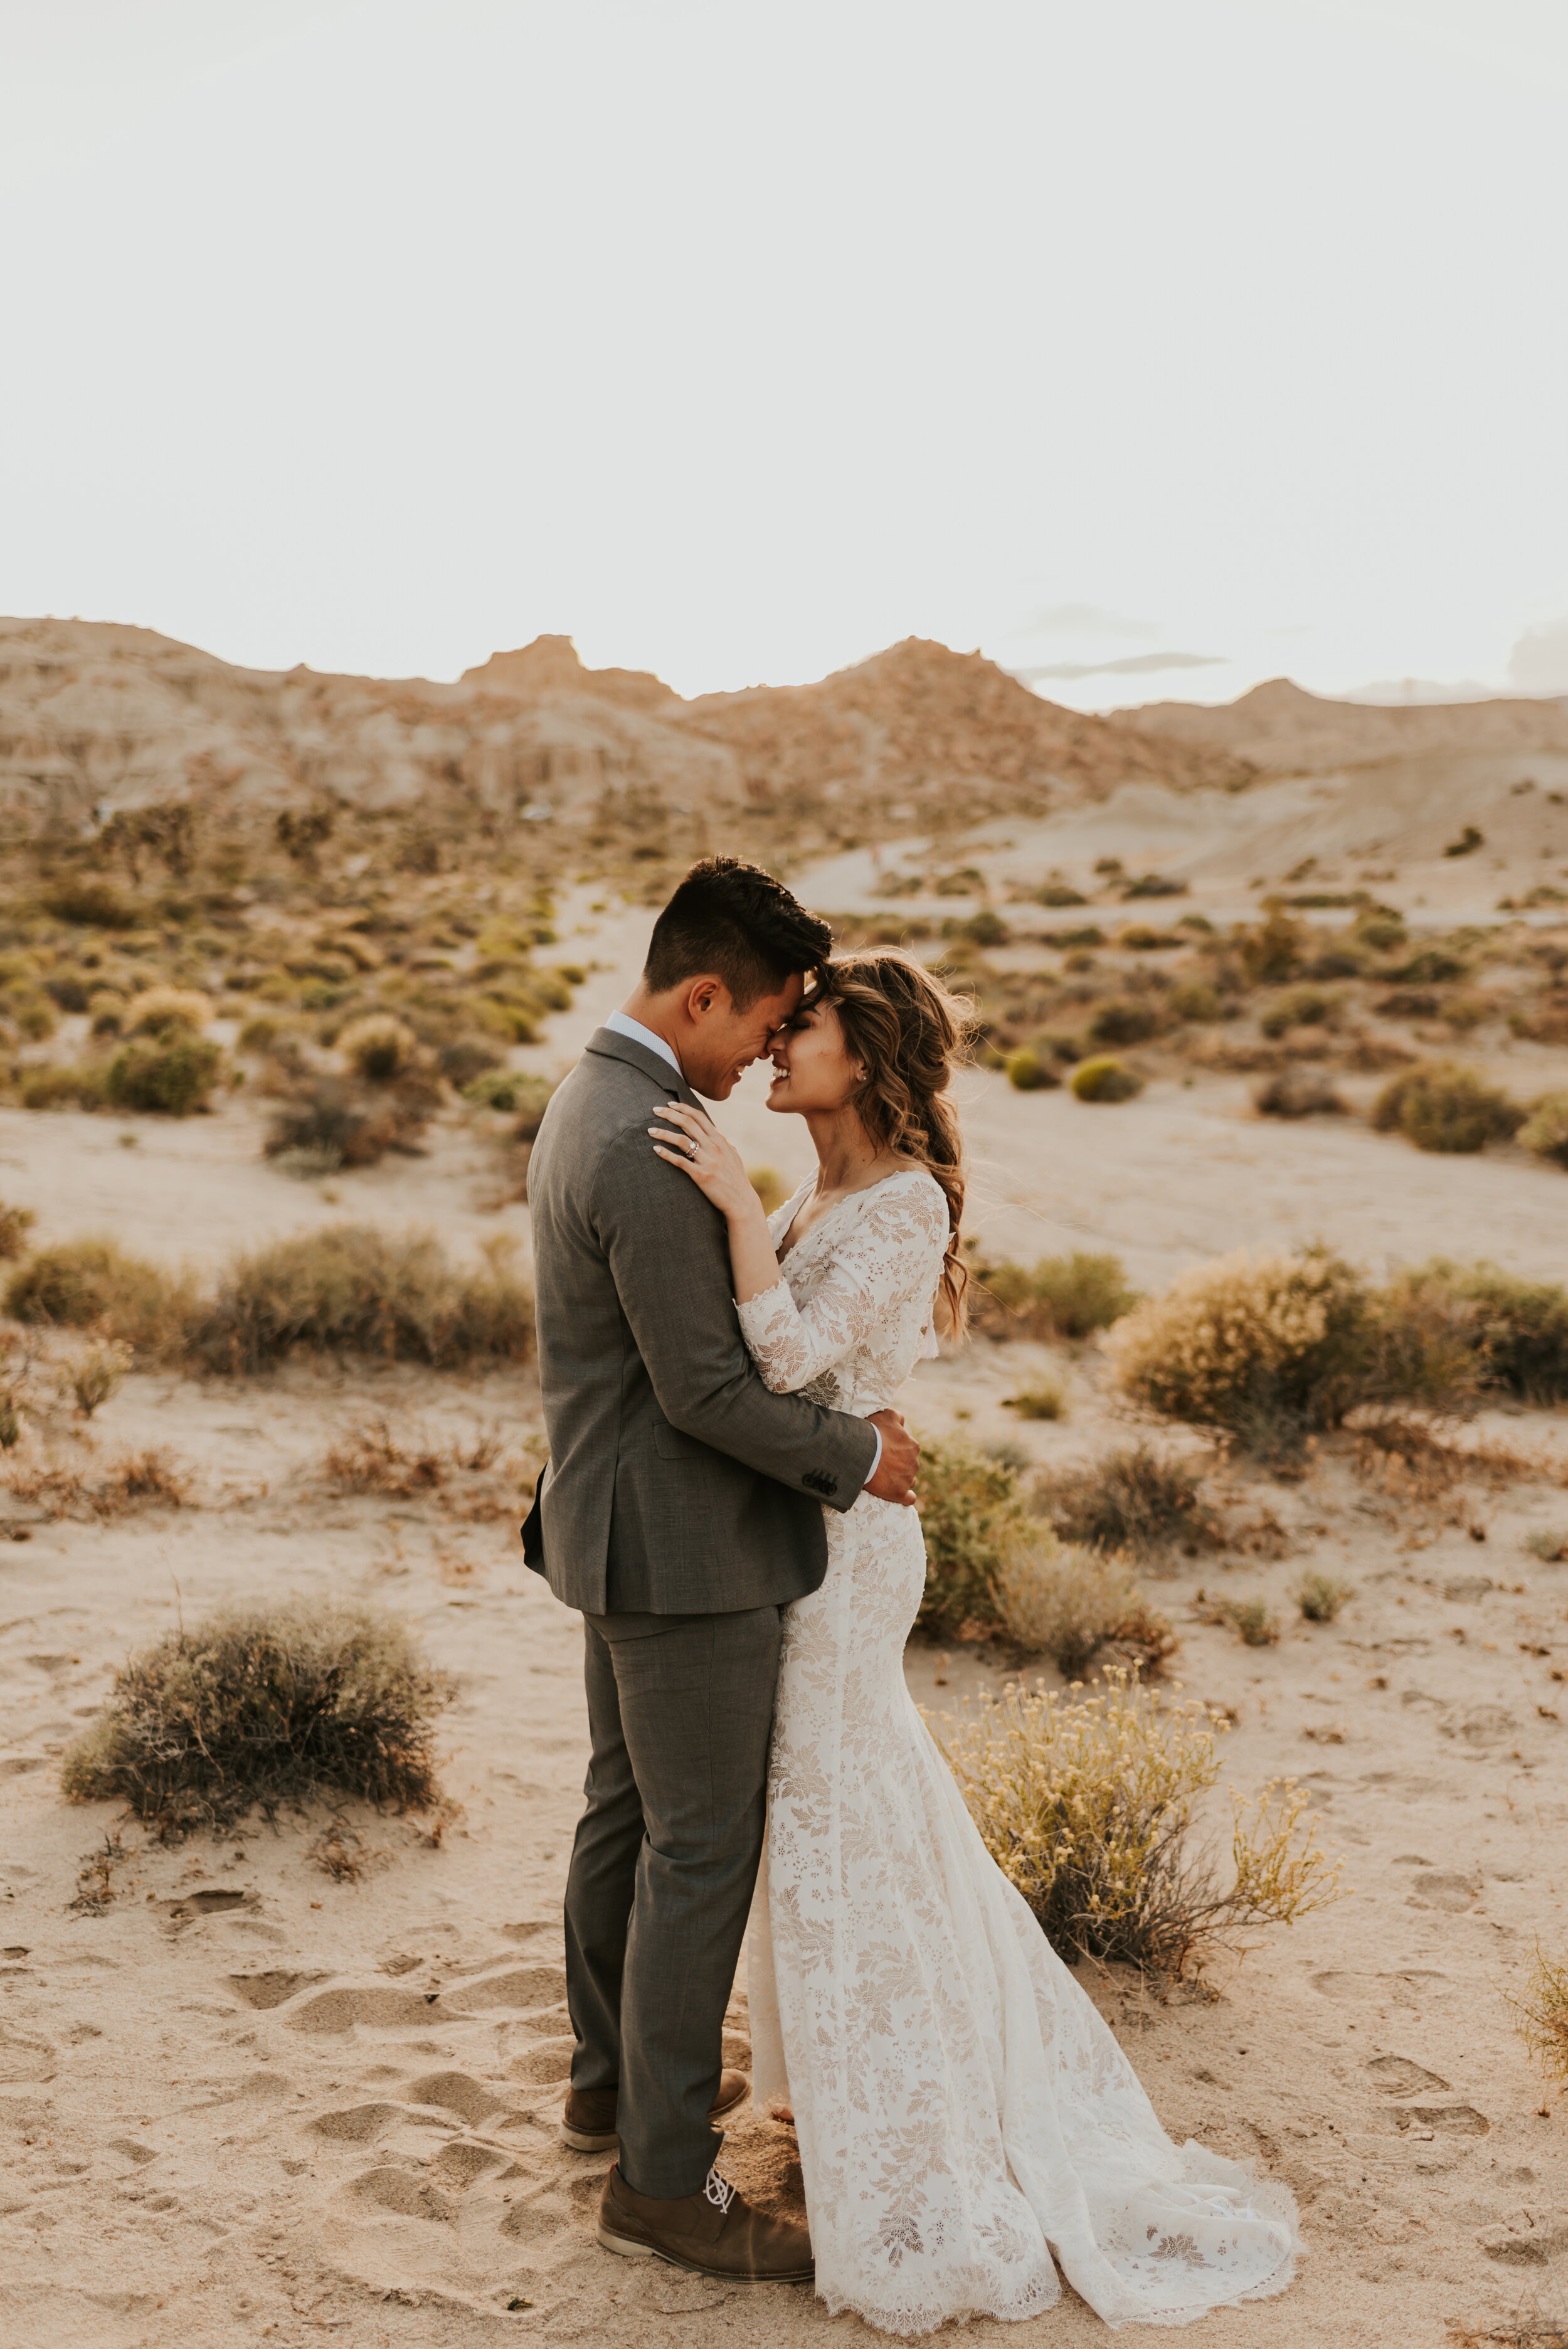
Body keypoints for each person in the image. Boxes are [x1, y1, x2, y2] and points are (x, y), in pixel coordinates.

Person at [649, 944, 1301, 2335]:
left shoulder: (897, 1205)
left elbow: (781, 1361)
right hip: (812, 1528)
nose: (773, 1044)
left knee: (834, 1805)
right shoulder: (818, 1185)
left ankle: (913, 2133)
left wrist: (721, 1206)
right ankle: (856, 2093)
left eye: (800, 1026)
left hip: (845, 1553)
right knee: (840, 1806)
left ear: (864, 1055)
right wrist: (746, 1218)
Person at [524, 858, 921, 2287]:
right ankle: (661, 2182)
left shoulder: (600, 1096)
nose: (766, 1044)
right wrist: (853, 1457)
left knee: (625, 1814)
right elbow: (702, 1390)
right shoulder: (643, 1131)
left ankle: (608, 2085)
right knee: (699, 1847)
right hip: (682, 1545)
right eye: (758, 1022)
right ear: (701, 993)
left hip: (612, 1523)